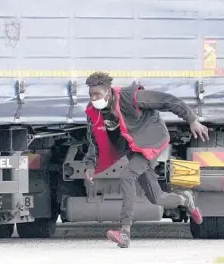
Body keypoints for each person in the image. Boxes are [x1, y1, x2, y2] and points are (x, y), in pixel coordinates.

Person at [82, 72, 209, 248]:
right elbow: (95, 140)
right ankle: (186, 200)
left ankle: (124, 232)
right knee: (156, 197)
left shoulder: (131, 97)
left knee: (128, 176)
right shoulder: (94, 112)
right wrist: (90, 165)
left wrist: (192, 119)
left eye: (97, 94)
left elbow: (166, 100)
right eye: (91, 95)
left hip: (152, 140)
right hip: (134, 148)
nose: (94, 98)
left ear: (109, 91)